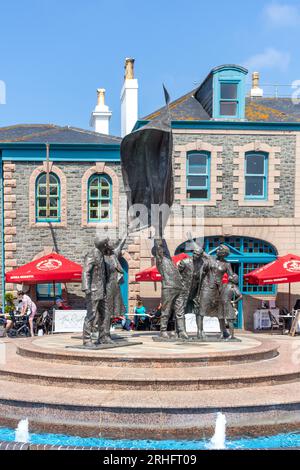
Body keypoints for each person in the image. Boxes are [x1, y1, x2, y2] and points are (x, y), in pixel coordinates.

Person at [194, 244, 234, 339]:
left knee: (220, 311)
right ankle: (200, 331)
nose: (217, 250)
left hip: (219, 290)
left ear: (224, 253)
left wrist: (231, 283)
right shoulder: (210, 259)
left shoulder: (227, 264)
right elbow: (201, 251)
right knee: (202, 310)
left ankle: (223, 331)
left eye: (220, 249)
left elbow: (231, 277)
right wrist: (195, 242)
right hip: (207, 287)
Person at [154, 238, 189, 340]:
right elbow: (159, 248)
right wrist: (158, 235)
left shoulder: (170, 260)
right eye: (162, 249)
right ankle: (163, 331)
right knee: (166, 310)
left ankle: (182, 331)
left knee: (180, 311)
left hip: (178, 288)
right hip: (168, 288)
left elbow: (166, 250)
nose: (164, 250)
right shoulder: (160, 260)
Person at [82, 237, 110, 347]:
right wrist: (86, 288)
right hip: (93, 290)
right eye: (106, 244)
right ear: (103, 245)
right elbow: (86, 272)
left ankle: (103, 337)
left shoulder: (102, 255)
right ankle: (86, 339)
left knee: (105, 313)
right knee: (91, 315)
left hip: (102, 291)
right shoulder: (92, 254)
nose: (108, 245)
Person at [219, 274, 242, 340]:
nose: (230, 276)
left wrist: (234, 301)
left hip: (227, 304)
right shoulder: (224, 285)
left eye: (232, 276)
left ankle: (231, 335)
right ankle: (222, 333)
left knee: (230, 320)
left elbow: (240, 296)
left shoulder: (233, 287)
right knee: (221, 319)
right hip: (221, 303)